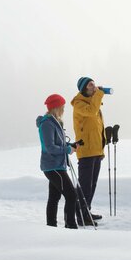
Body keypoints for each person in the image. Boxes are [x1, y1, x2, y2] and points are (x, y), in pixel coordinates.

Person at [37, 93, 81, 229]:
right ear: (56, 107)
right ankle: (70, 226)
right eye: (62, 106)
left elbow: (57, 144)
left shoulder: (55, 123)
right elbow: (50, 147)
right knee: (71, 195)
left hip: (57, 166)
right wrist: (68, 150)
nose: (63, 109)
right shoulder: (47, 124)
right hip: (53, 166)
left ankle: (51, 226)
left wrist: (71, 146)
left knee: (54, 197)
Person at [70, 76, 108, 221]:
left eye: (94, 84)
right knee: (85, 185)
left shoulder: (94, 103)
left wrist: (102, 146)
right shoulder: (79, 104)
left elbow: (97, 128)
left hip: (96, 150)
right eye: (91, 85)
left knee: (92, 184)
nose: (94, 87)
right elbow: (91, 112)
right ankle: (81, 215)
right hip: (86, 151)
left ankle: (86, 211)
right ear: (84, 88)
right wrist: (99, 94)